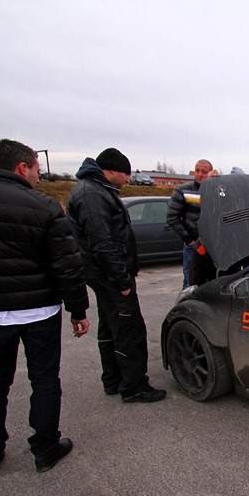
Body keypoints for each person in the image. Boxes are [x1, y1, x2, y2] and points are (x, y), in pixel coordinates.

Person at [0, 138, 90, 479]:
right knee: (45, 379)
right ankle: (45, 448)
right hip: (39, 312)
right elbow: (67, 266)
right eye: (37, 168)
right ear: (22, 167)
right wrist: (78, 311)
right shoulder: (43, 206)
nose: (39, 175)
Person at [66, 148, 166, 404]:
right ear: (110, 171)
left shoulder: (93, 189)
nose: (128, 180)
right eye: (125, 174)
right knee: (128, 329)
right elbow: (102, 242)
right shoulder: (92, 195)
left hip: (104, 275)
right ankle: (134, 386)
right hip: (110, 277)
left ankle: (113, 379)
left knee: (111, 326)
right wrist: (122, 281)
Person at [166, 159, 214, 288]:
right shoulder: (183, 190)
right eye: (197, 170)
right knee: (190, 281)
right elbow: (172, 217)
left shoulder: (216, 191)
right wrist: (189, 240)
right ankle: (186, 307)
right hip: (193, 246)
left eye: (204, 172)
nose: (200, 174)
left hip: (213, 246)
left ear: (210, 173)